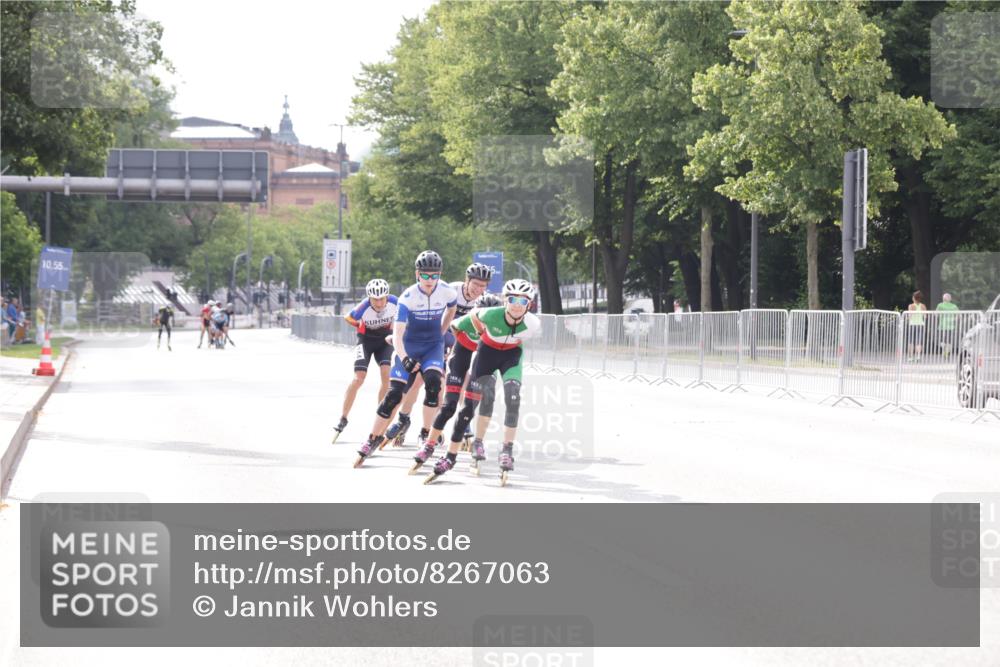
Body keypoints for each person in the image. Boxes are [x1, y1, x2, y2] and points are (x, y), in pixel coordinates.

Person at [424, 279, 540, 486]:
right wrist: (479, 335)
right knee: (468, 408)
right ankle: (450, 456)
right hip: (486, 355)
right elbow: (464, 320)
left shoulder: (533, 323)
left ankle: (507, 450)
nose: (516, 305)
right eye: (511, 299)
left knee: (513, 398)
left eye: (522, 301)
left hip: (511, 357)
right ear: (505, 300)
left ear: (529, 305)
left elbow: (520, 340)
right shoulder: (489, 314)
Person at [354, 250, 457, 467]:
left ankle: (427, 438)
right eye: (425, 275)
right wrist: (405, 358)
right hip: (408, 346)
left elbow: (453, 308)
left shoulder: (447, 291)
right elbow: (398, 334)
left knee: (433, 385)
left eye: (434, 275)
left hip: (432, 347)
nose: (430, 280)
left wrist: (443, 330)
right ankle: (372, 438)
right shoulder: (407, 297)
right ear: (417, 274)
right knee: (393, 395)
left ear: (440, 274)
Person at [382, 262, 493, 448]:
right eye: (476, 284)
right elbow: (428, 315)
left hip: (462, 340)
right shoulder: (450, 291)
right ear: (467, 281)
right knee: (418, 381)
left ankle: (458, 425)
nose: (478, 289)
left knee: (459, 381)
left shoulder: (485, 300)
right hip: (440, 336)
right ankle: (404, 418)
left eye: (483, 286)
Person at [418, 292, 503, 474]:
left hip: (484, 360)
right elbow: (452, 330)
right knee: (449, 406)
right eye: (482, 313)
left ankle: (478, 442)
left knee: (470, 409)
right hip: (461, 356)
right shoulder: (466, 320)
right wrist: (456, 350)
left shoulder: (500, 327)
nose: (486, 318)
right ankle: (429, 444)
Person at [332, 279, 398, 443]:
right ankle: (343, 417)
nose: (379, 302)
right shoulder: (363, 306)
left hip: (384, 341)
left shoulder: (395, 302)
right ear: (369, 298)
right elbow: (348, 317)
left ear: (387, 296)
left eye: (382, 298)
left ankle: (380, 414)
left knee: (386, 375)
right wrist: (360, 325)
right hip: (366, 341)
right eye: (375, 299)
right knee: (358, 378)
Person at [935, 293, 959, 359]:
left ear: (943, 299)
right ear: (950, 299)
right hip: (951, 326)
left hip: (942, 326)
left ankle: (945, 350)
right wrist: (954, 320)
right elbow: (958, 316)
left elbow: (936, 314)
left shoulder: (940, 305)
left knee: (941, 340)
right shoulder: (954, 306)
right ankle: (946, 352)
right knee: (949, 341)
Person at [906, 290, 927, 362]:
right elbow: (925, 316)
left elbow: (910, 316)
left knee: (911, 341)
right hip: (920, 324)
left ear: (914, 298)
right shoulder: (923, 306)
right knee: (919, 341)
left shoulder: (911, 306)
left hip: (912, 324)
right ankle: (918, 356)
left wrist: (907, 318)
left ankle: (910, 357)